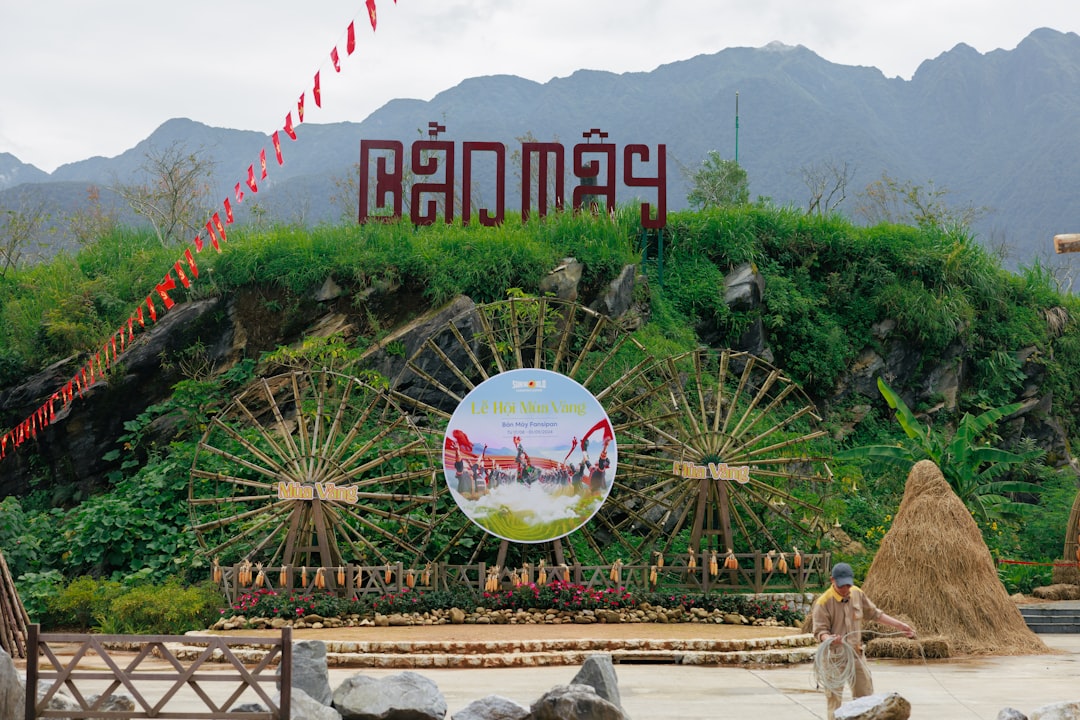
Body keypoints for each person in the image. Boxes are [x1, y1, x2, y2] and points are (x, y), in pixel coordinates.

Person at [811, 562, 915, 720]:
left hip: (856, 656)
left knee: (865, 699)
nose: (845, 589)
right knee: (834, 701)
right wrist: (829, 638)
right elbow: (819, 632)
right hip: (834, 658)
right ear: (832, 580)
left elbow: (875, 614)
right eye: (841, 586)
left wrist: (899, 625)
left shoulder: (857, 593)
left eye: (848, 585)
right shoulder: (823, 603)